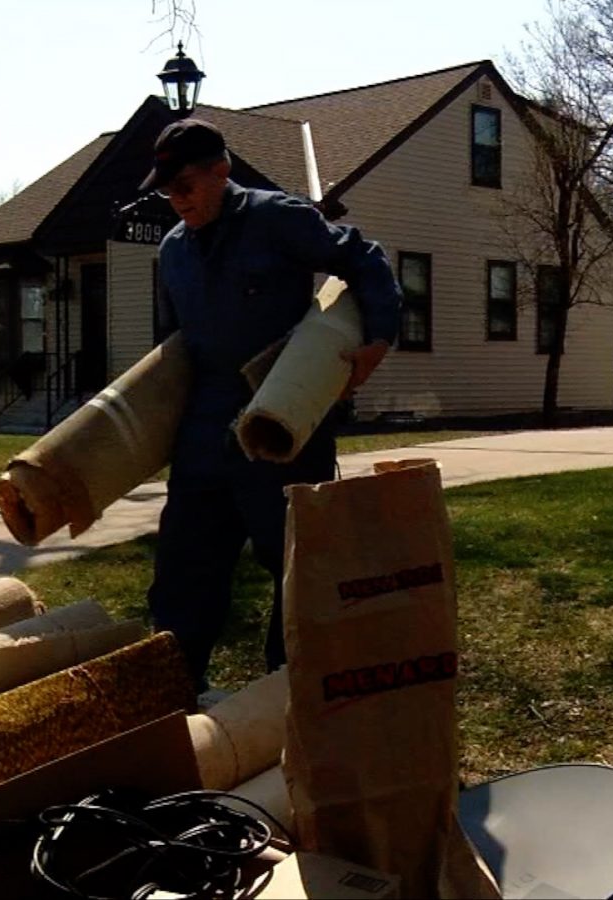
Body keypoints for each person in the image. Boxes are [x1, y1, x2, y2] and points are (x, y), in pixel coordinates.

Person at [141, 118, 402, 690]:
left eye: (184, 185)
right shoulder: (173, 252)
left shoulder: (275, 218)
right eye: (165, 191)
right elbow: (172, 348)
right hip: (203, 438)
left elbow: (362, 258)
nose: (175, 200)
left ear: (221, 171)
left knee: (295, 573)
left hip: (284, 424)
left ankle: (292, 699)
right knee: (184, 573)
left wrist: (376, 340)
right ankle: (175, 700)